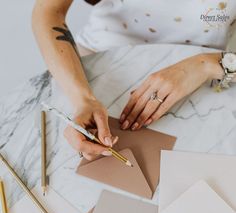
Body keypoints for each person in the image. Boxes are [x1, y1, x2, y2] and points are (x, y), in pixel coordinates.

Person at [32, 0, 236, 160]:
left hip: (206, 74)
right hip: (95, 62)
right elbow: (48, 11)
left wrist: (205, 65)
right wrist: (82, 99)